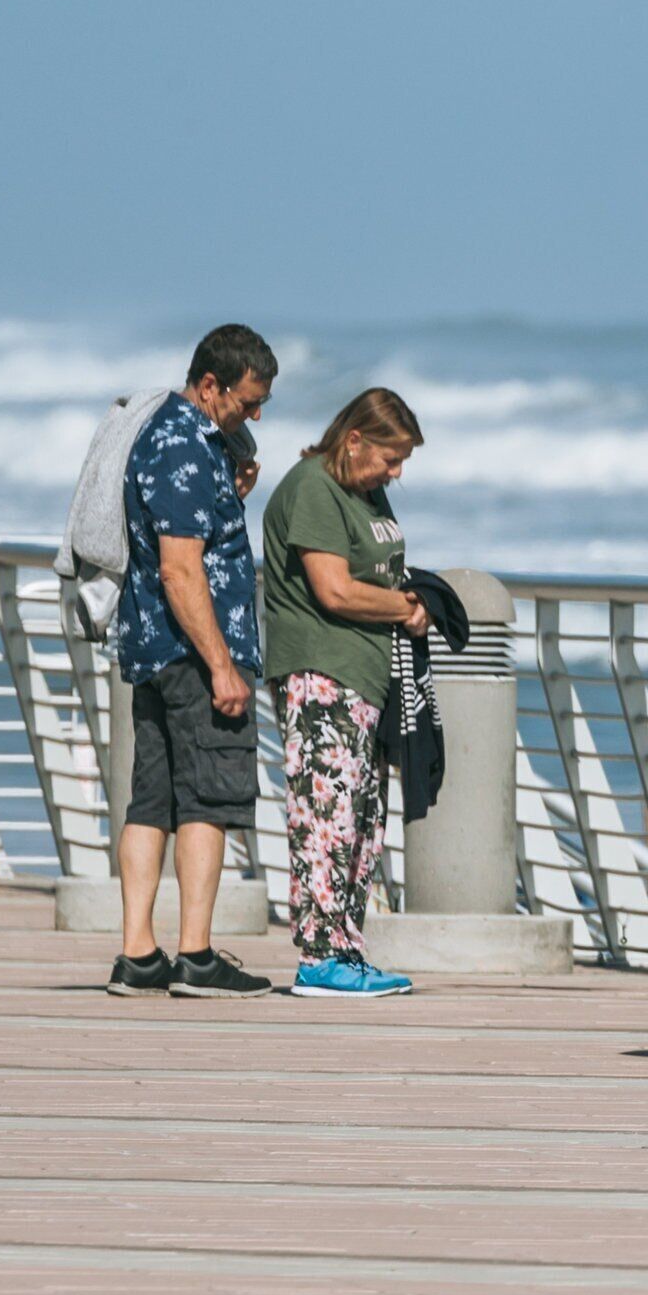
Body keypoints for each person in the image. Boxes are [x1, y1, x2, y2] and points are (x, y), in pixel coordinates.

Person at [109, 324, 277, 996]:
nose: (254, 415)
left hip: (155, 647)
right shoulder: (182, 445)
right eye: (245, 401)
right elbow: (181, 571)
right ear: (211, 385)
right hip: (189, 652)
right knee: (206, 797)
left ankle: (138, 953)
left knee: (151, 800)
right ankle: (196, 954)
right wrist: (221, 666)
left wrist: (231, 497)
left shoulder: (181, 439)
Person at [259, 389, 429, 997]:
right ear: (354, 439)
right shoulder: (314, 486)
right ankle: (318, 956)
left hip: (366, 674)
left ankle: (347, 948)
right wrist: (406, 609)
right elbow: (332, 590)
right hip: (320, 670)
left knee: (363, 818)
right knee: (324, 815)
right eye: (391, 457)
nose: (397, 472)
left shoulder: (363, 491)